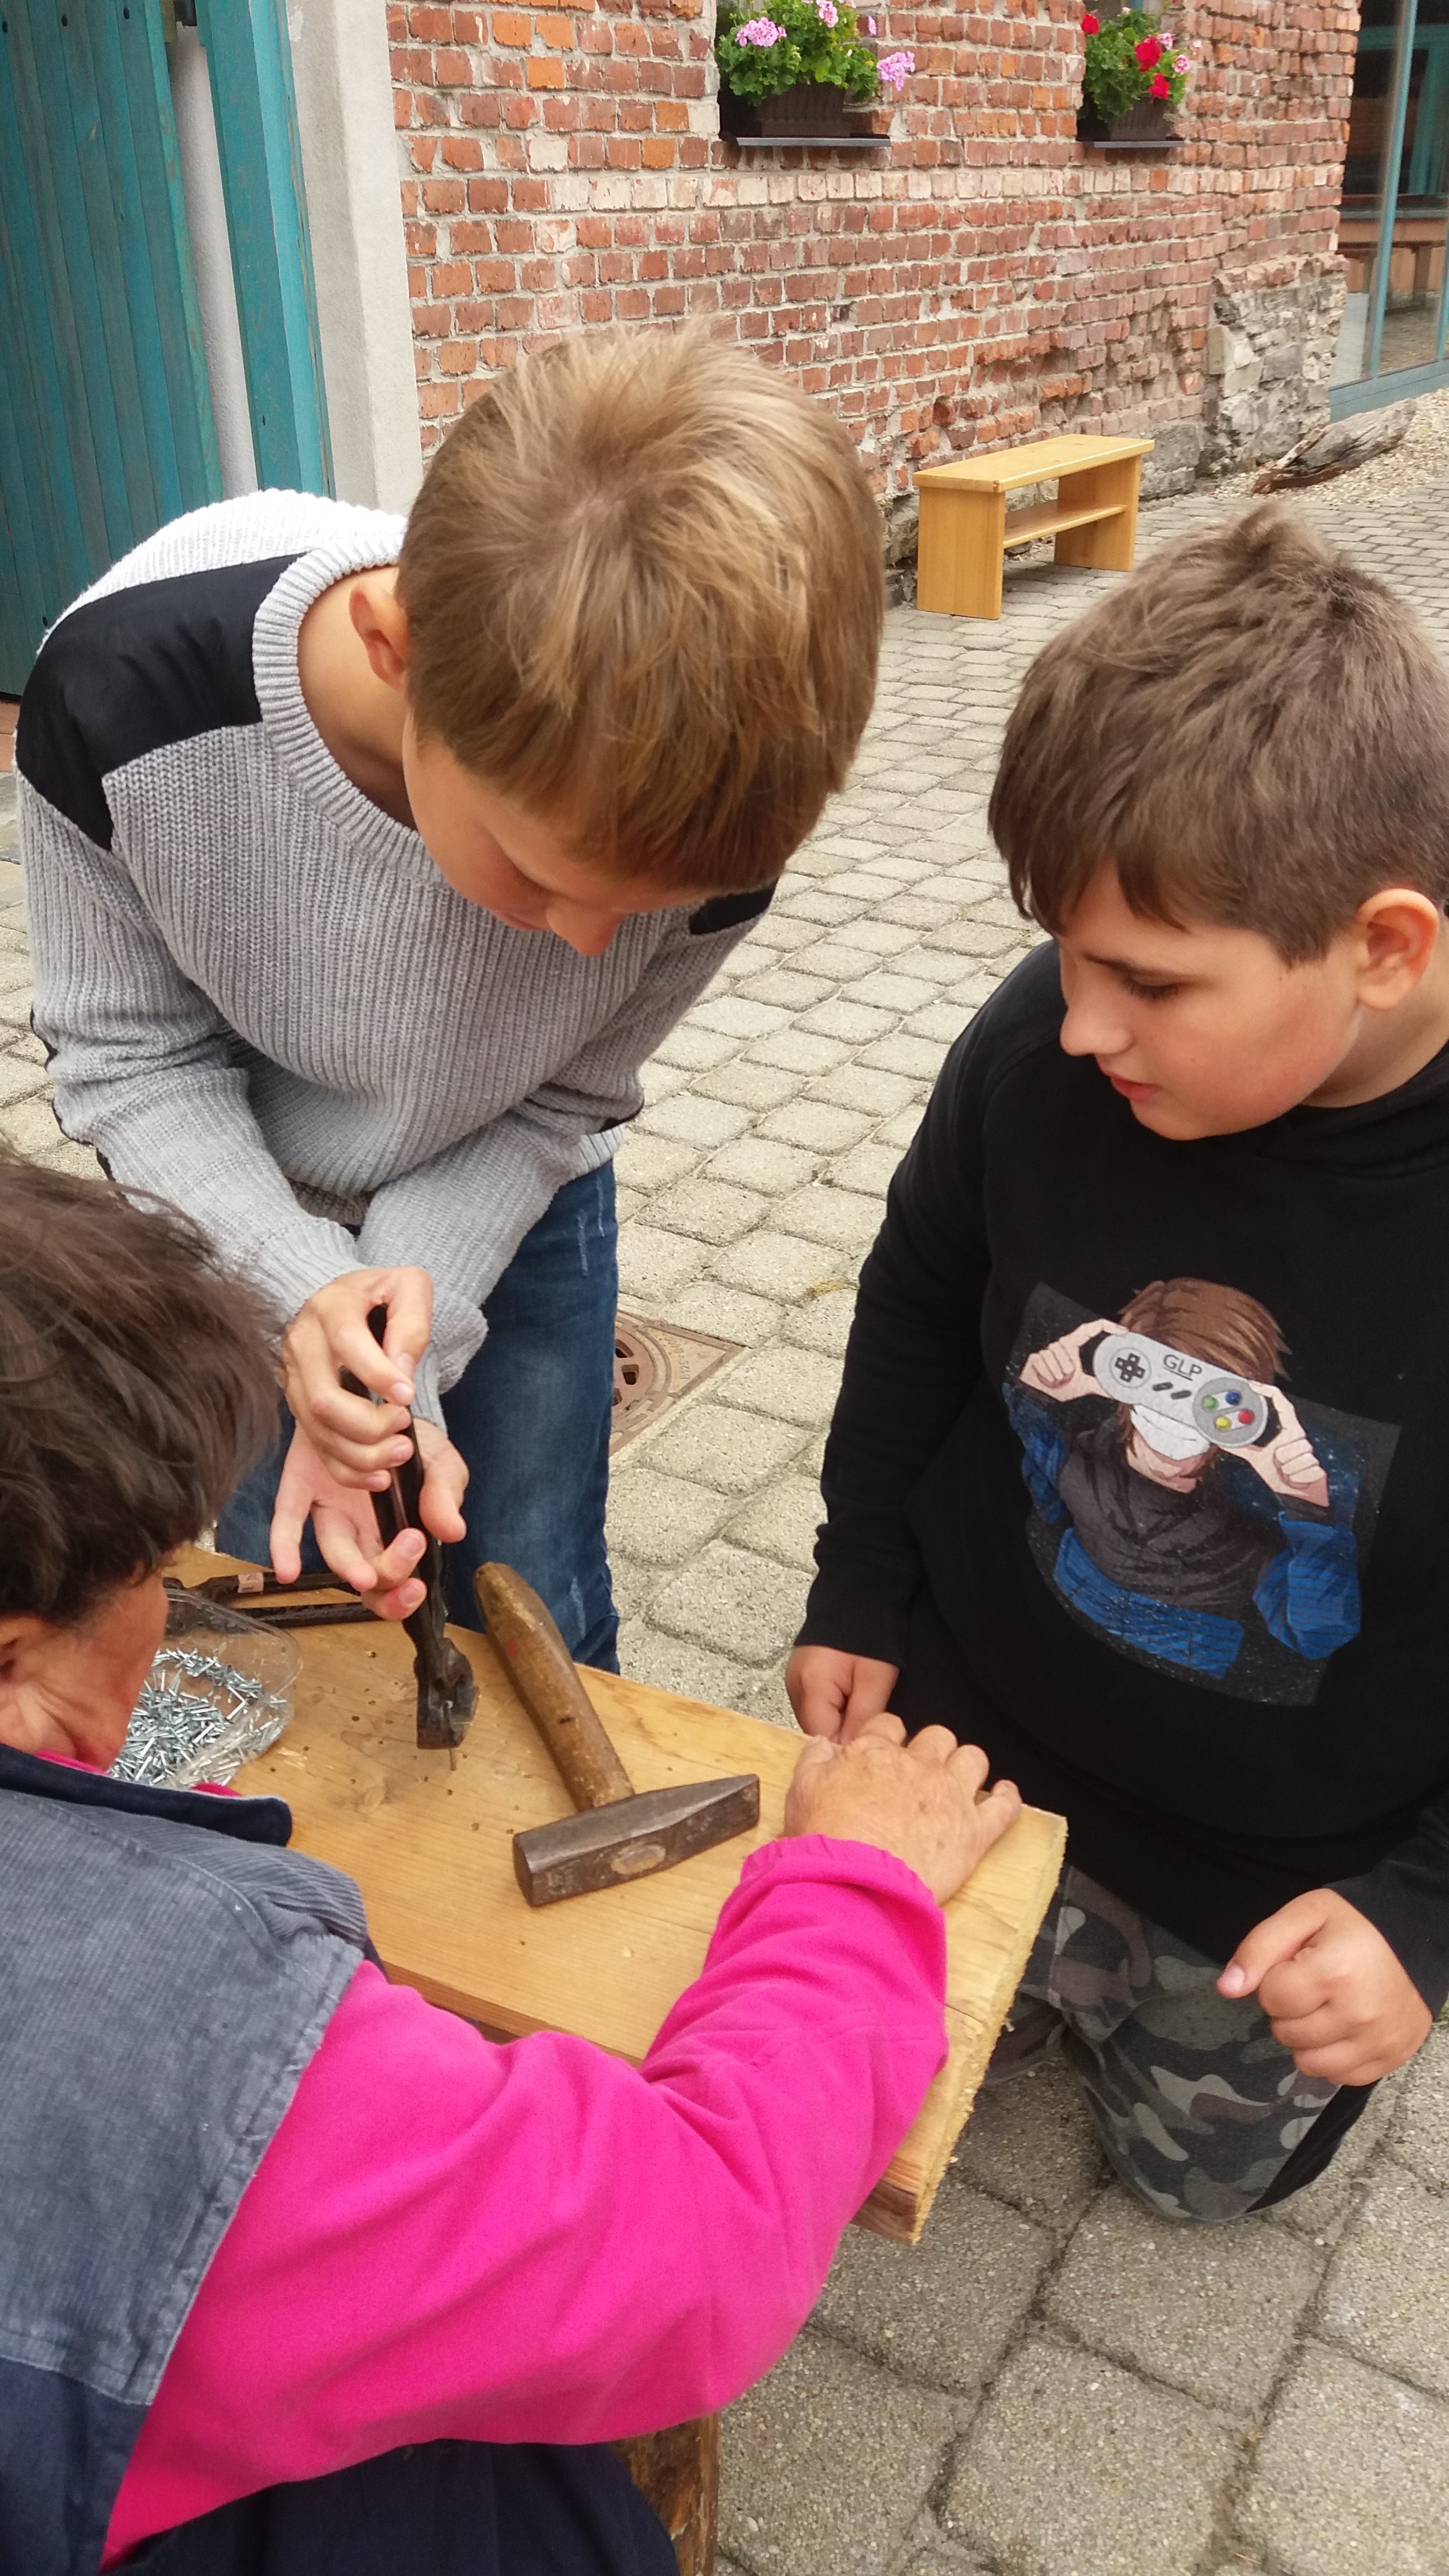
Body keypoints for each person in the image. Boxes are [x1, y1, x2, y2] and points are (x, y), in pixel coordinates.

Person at [0, 1151, 1021, 2574]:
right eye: (162, 1575)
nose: (178, 1601)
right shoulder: (193, 2043)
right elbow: (696, 2258)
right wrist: (855, 1883)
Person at [15, 329, 884, 1662]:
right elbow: (131, 1058)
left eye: (644, 910)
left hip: (513, 1193)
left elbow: (564, 1094)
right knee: (295, 1604)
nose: (589, 950)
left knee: (538, 1577)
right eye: (539, 876)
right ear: (394, 647)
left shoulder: (721, 816)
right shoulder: (120, 699)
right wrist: (301, 1295)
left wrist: (393, 1352)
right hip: (230, 1200)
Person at [788, 507, 1449, 2227]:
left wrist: (1419, 1920)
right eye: (1067, 953)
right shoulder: (1043, 1041)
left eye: (1151, 981)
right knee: (832, 2082)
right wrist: (858, 1586)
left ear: (1384, 948)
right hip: (974, 1747)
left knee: (1192, 2191)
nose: (1082, 1025)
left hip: (1265, 1873)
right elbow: (916, 1302)